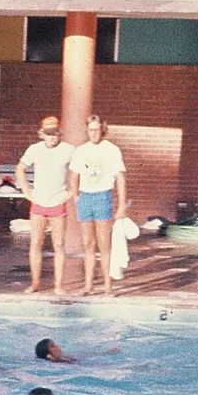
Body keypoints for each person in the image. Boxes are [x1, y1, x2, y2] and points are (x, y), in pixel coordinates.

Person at [66, 115, 127, 298]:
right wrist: (77, 197)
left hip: (103, 197)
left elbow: (120, 179)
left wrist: (122, 205)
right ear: (87, 130)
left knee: (104, 243)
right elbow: (73, 176)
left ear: (102, 129)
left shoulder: (112, 150)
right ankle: (88, 286)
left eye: (96, 129)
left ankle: (108, 286)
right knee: (88, 244)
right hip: (85, 197)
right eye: (90, 130)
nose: (93, 133)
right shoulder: (81, 150)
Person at [16, 116, 75, 295]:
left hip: (57, 201)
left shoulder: (69, 149)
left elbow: (81, 170)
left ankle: (58, 285)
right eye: (48, 133)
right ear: (42, 134)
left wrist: (72, 191)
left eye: (54, 133)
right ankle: (35, 283)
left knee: (58, 244)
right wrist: (26, 190)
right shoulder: (35, 149)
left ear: (59, 133)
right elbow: (20, 168)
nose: (51, 137)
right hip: (39, 202)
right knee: (36, 243)